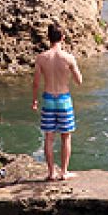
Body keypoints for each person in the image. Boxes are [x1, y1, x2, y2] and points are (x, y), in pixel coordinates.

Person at [31, 23, 83, 181]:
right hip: (63, 99)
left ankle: (51, 173)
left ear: (48, 38)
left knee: (49, 137)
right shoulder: (68, 58)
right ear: (63, 38)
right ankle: (64, 172)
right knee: (66, 137)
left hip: (48, 99)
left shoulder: (41, 58)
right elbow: (79, 81)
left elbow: (36, 83)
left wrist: (34, 100)